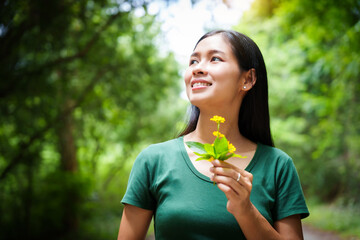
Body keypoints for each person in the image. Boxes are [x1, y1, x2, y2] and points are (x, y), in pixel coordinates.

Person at [118, 30, 309, 240]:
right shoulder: (153, 160)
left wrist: (246, 211)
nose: (197, 69)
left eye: (215, 59)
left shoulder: (278, 166)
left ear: (248, 78)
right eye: (193, 61)